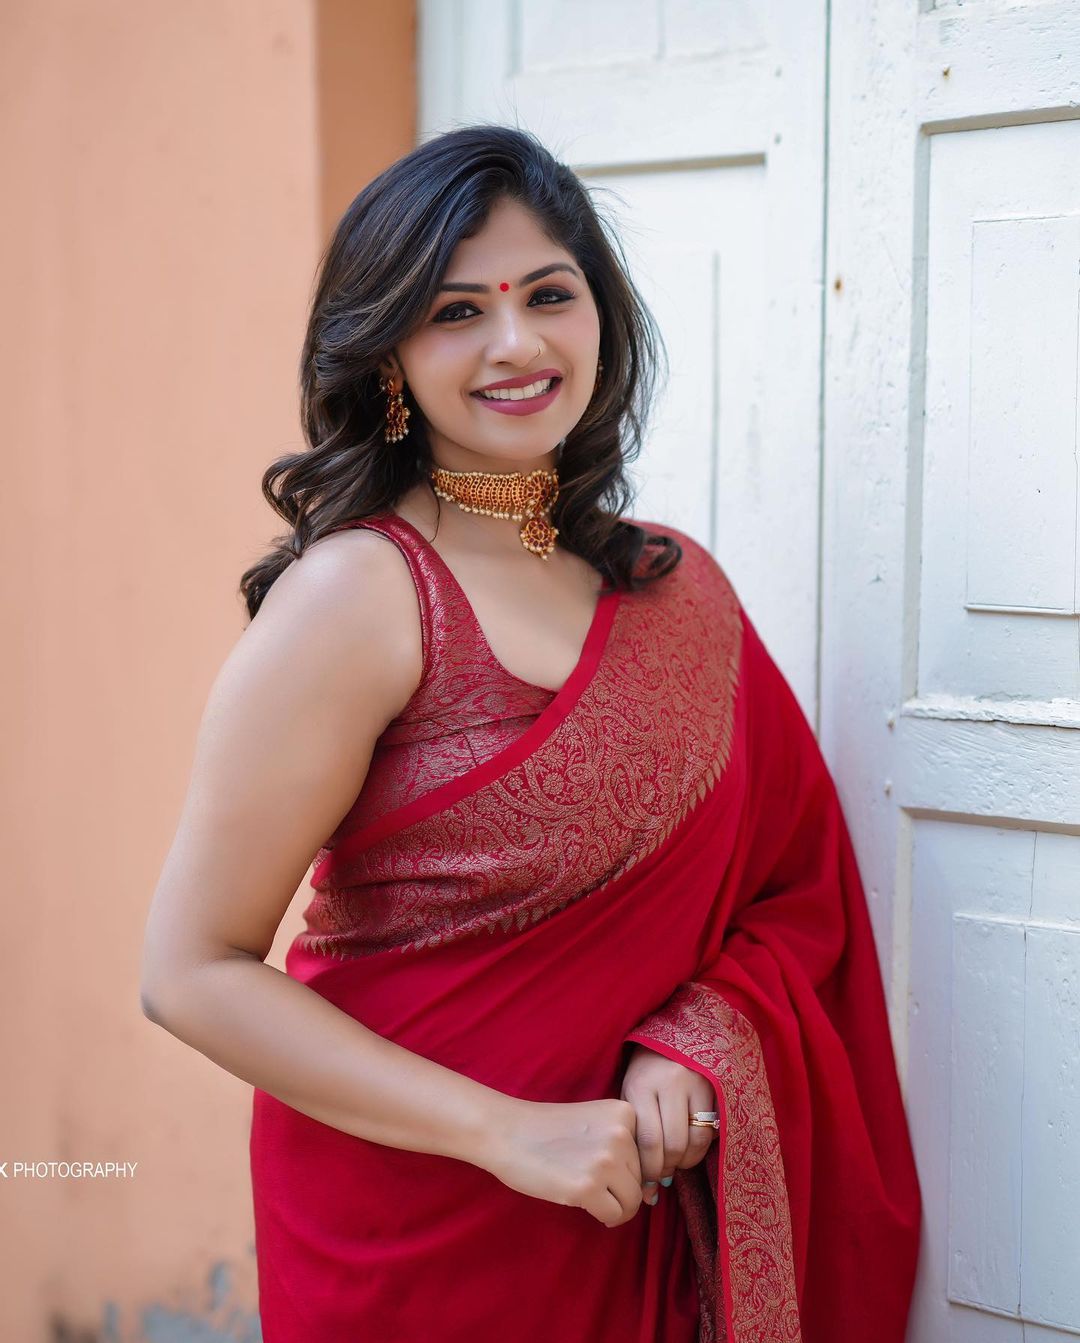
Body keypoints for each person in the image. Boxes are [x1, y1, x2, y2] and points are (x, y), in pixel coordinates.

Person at [139, 124, 921, 1343]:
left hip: (631, 1196)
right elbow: (190, 970)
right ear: (391, 353)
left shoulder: (678, 592)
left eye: (549, 294)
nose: (516, 342)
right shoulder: (358, 596)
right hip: (411, 1221)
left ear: (599, 318)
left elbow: (794, 887)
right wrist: (508, 1130)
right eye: (456, 312)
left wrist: (695, 1041)